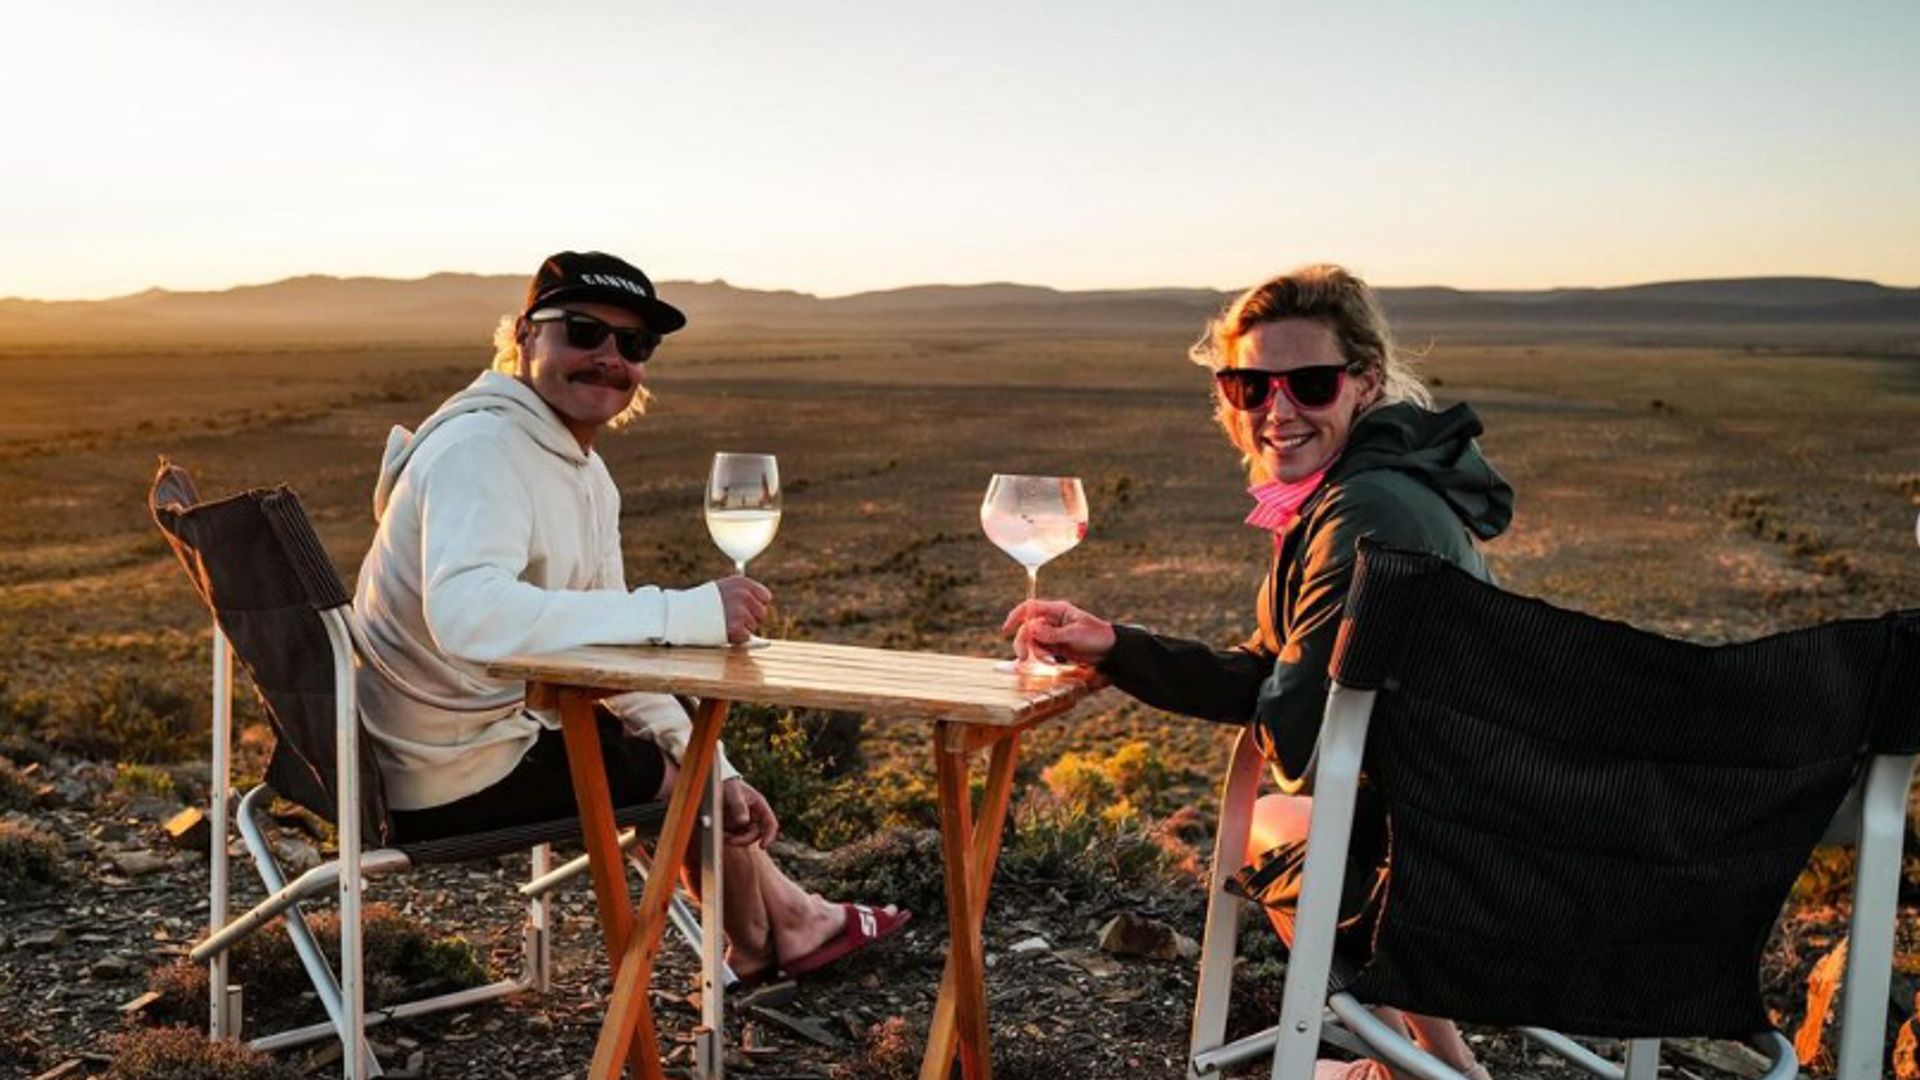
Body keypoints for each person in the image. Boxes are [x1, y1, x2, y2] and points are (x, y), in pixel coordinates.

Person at [1003, 264, 1512, 1077]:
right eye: (1249, 385)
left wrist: (1271, 704)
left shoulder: (1365, 511)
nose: (1277, 410)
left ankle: (1426, 1067)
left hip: (1452, 876)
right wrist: (1119, 647)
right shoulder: (1385, 486)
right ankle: (1431, 1064)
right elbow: (1283, 677)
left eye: (1309, 384)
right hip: (1496, 843)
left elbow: (1296, 730)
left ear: (1363, 382)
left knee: (1275, 818)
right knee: (1311, 813)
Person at [352, 250, 908, 986]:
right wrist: (687, 613)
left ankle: (790, 926)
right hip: (442, 774)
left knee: (681, 771)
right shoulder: (482, 448)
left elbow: (618, 660)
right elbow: (470, 616)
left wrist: (722, 767)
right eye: (582, 331)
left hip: (466, 741)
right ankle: (779, 934)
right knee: (669, 780)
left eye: (633, 344)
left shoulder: (580, 470)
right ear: (526, 337)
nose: (609, 357)